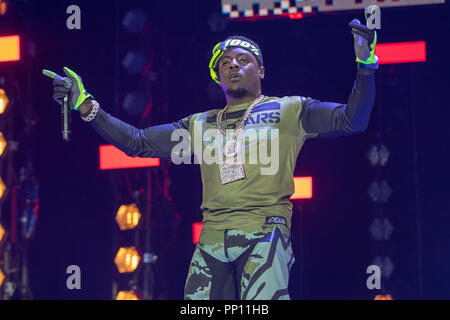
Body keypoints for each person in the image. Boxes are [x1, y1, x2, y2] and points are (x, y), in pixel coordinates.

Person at [43, 14, 378, 300]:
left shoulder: (290, 108)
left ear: (261, 70)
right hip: (212, 240)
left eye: (243, 59)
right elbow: (139, 143)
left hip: (265, 232)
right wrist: (85, 104)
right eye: (224, 62)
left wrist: (365, 66)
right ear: (218, 77)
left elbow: (353, 120)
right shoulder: (200, 125)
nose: (233, 64)